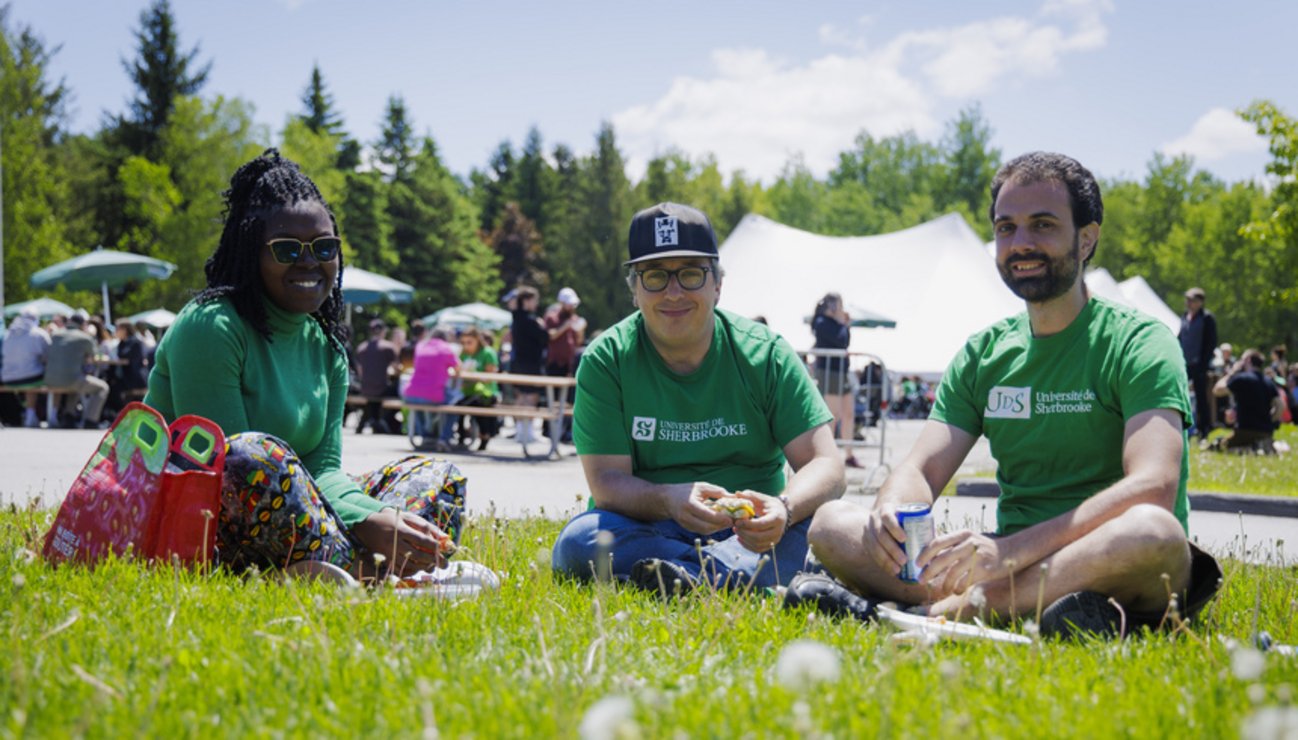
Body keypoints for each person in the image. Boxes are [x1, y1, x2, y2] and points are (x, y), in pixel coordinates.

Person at [796, 152, 1220, 639]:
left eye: (1042, 225)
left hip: (1106, 557)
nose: (1021, 243)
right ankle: (1037, 611)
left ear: (1087, 238)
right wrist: (891, 517)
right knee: (831, 523)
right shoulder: (984, 354)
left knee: (1153, 532)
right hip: (1005, 563)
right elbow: (920, 470)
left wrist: (1008, 554)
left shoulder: (1139, 341)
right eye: (1006, 228)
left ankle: (942, 613)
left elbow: (1153, 487)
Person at [144, 148, 466, 577]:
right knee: (249, 454)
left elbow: (322, 470)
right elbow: (220, 473)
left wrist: (376, 517)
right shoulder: (212, 326)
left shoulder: (328, 348)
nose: (309, 260)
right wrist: (363, 522)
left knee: (436, 475)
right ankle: (375, 570)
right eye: (287, 249)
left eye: (324, 246)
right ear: (250, 252)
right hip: (200, 516)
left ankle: (379, 563)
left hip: (295, 512)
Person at [551, 202, 845, 596]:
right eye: (655, 276)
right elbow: (606, 483)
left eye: (691, 274)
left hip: (753, 530)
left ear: (717, 284)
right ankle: (732, 576)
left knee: (828, 524)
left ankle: (682, 575)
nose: (674, 292)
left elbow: (826, 465)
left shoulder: (767, 353)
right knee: (578, 542)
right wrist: (668, 500)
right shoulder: (607, 359)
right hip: (650, 525)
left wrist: (784, 508)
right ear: (635, 290)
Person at [811, 293, 861, 468]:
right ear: (832, 307)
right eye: (840, 305)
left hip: (842, 372)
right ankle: (829, 457)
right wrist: (843, 323)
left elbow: (844, 340)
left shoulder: (835, 323)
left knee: (848, 413)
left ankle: (849, 454)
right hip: (829, 372)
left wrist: (844, 324)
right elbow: (842, 341)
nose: (842, 309)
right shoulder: (821, 322)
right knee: (833, 416)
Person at [45, 313, 110, 429]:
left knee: (77, 384)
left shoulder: (54, 334)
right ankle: (91, 421)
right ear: (83, 324)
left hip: (49, 380)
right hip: (71, 380)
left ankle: (68, 417)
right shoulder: (84, 337)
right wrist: (91, 333)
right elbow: (94, 357)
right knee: (103, 388)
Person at [1209, 349, 1281, 453]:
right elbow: (1280, 405)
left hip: (1244, 431)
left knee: (1219, 445)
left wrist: (1232, 372)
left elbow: (1217, 390)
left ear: (1247, 360)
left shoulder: (1241, 378)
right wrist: (1269, 420)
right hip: (1266, 432)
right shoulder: (1268, 382)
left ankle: (1248, 448)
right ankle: (1258, 446)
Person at [402, 327, 460, 452]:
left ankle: (426, 435)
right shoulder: (446, 348)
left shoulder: (421, 346)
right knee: (456, 404)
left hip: (411, 392)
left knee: (418, 405)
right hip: (432, 394)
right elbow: (457, 368)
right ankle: (444, 438)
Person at [507, 286, 549, 445]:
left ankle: (520, 431)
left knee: (521, 396)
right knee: (531, 397)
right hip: (531, 364)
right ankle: (528, 432)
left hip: (517, 363)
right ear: (527, 300)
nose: (536, 303)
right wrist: (541, 325)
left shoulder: (515, 318)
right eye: (534, 300)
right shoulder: (530, 321)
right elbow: (544, 338)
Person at [545, 286, 586, 443]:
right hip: (554, 363)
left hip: (570, 365)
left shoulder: (575, 319)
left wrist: (580, 330)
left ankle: (564, 430)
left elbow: (578, 342)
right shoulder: (552, 317)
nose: (572, 307)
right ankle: (549, 430)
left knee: (569, 400)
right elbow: (551, 336)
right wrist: (566, 326)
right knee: (553, 399)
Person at [1178, 287, 1218, 440]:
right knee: (1180, 395)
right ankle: (1183, 428)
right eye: (1187, 299)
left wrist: (1203, 364)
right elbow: (1180, 338)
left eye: (1192, 300)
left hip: (1199, 365)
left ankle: (1204, 429)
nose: (1188, 303)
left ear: (1200, 302)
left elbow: (1211, 342)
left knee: (1201, 398)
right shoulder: (1184, 317)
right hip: (1184, 363)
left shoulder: (1207, 318)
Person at [1, 307, 52, 428]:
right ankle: (31, 414)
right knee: (37, 376)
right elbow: (48, 356)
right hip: (30, 378)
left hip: (6, 378)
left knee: (28, 374)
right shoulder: (39, 333)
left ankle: (28, 411)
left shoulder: (8, 333)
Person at [453, 327, 501, 450]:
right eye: (463, 343)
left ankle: (484, 436)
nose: (466, 345)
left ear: (477, 340)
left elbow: (491, 376)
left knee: (478, 403)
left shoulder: (488, 352)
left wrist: (474, 375)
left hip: (486, 392)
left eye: (469, 342)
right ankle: (461, 436)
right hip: (466, 392)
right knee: (456, 404)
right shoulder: (463, 353)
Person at [355, 318, 399, 434]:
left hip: (365, 388)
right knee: (398, 391)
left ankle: (370, 421)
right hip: (381, 389)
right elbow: (396, 367)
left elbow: (360, 371)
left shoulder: (361, 348)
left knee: (372, 401)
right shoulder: (388, 347)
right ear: (383, 331)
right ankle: (382, 423)